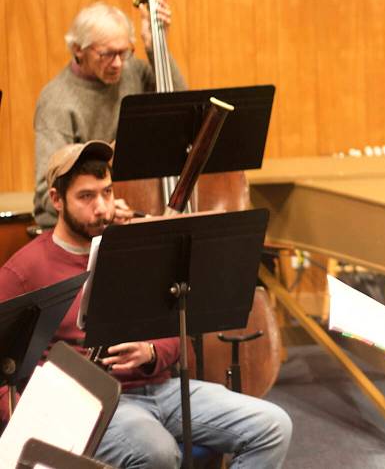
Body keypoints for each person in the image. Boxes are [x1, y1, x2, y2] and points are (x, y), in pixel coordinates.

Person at [0, 141, 292, 468]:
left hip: (161, 388)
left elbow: (173, 332)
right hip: (95, 402)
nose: (102, 207)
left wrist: (150, 352)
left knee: (273, 426)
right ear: (56, 199)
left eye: (107, 192)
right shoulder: (24, 270)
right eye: (86, 196)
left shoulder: (135, 248)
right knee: (157, 452)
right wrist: (23, 417)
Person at [33, 0, 186, 228]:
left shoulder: (132, 71)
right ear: (78, 49)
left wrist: (156, 46)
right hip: (79, 226)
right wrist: (103, 210)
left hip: (124, 214)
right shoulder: (56, 101)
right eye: (107, 54)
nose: (117, 64)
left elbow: (178, 106)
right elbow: (48, 192)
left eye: (124, 53)